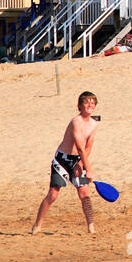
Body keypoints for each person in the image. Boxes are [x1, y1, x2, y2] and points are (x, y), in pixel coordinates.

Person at [32, 91, 100, 235]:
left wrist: (80, 164)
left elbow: (88, 147)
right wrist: (88, 168)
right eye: (87, 102)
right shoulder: (76, 122)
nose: (90, 105)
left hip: (77, 160)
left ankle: (91, 227)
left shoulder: (94, 124)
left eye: (92, 103)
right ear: (79, 106)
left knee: (84, 193)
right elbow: (80, 146)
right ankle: (37, 225)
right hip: (62, 160)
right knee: (53, 195)